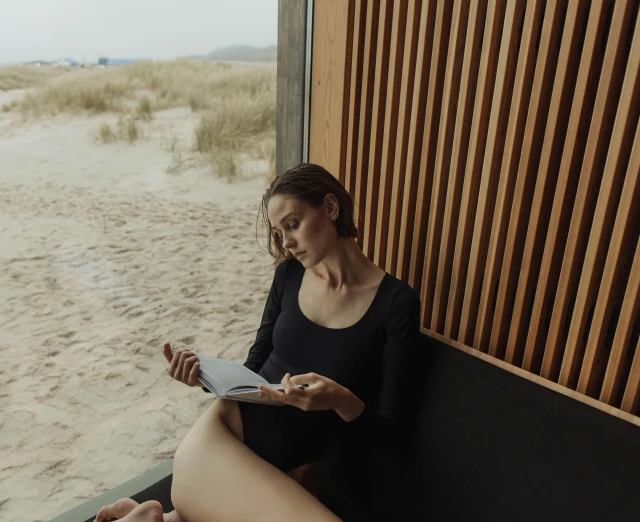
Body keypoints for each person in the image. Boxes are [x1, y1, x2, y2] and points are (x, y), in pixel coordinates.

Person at [94, 163, 422, 522]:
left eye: (293, 224)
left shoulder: (396, 304)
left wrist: (341, 400)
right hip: (222, 439)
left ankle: (151, 517)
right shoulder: (289, 276)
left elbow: (395, 437)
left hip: (286, 475)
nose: (286, 242)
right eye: (279, 232)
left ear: (330, 208)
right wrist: (203, 375)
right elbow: (251, 371)